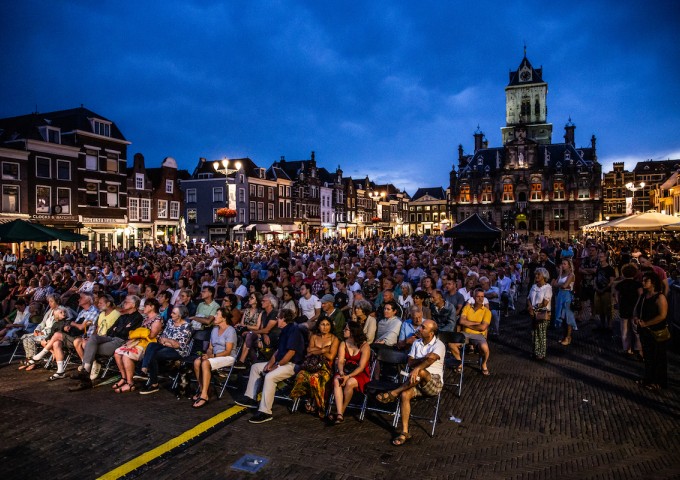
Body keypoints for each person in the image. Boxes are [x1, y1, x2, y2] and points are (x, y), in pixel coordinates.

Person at [375, 319, 445, 446]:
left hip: (434, 382)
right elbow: (410, 362)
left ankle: (393, 392)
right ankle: (404, 432)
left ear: (431, 333)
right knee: (405, 395)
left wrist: (418, 368)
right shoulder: (417, 343)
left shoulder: (439, 345)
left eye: (423, 328)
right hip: (415, 382)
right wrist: (423, 360)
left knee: (421, 372)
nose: (419, 329)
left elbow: (431, 360)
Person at [236, 309, 306, 424]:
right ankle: (251, 398)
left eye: (279, 317)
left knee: (270, 377)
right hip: (282, 362)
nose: (277, 319)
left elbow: (291, 353)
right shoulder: (283, 330)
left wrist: (276, 366)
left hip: (291, 365)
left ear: (284, 319)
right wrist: (270, 363)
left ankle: (265, 412)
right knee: (256, 367)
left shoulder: (294, 330)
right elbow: (278, 351)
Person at [290, 316, 340, 416]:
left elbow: (330, 356)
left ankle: (317, 403)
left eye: (327, 325)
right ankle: (309, 398)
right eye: (322, 324)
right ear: (319, 326)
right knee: (301, 375)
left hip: (325, 368)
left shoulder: (334, 339)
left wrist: (315, 350)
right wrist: (323, 350)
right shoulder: (314, 337)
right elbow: (308, 352)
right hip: (311, 365)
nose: (325, 327)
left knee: (315, 378)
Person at [139, 304, 193, 395]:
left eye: (174, 313)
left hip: (178, 351)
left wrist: (167, 341)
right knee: (151, 345)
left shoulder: (186, 327)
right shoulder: (170, 322)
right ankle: (144, 369)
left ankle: (154, 384)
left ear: (180, 315)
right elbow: (161, 338)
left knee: (154, 355)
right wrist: (168, 342)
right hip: (165, 346)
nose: (171, 314)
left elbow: (178, 345)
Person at [112, 296, 161, 393]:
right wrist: (135, 336)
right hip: (138, 342)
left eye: (146, 306)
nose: (143, 308)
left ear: (151, 307)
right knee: (117, 353)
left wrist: (139, 333)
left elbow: (151, 335)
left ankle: (130, 384)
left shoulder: (157, 319)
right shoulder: (145, 319)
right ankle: (124, 378)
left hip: (147, 345)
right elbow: (140, 333)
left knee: (126, 356)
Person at [191, 307, 238, 408]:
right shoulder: (215, 329)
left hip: (228, 357)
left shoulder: (230, 330)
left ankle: (204, 396)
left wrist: (211, 356)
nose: (215, 316)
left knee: (205, 363)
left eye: (217, 314)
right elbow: (210, 347)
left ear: (224, 318)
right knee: (197, 361)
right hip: (215, 356)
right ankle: (203, 389)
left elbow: (228, 351)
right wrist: (207, 355)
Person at [633, 271, 669, 393]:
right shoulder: (643, 296)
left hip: (656, 332)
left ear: (652, 283)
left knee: (658, 357)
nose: (643, 283)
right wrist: (636, 318)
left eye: (645, 281)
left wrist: (646, 323)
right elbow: (636, 309)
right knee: (648, 357)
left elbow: (662, 315)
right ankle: (648, 379)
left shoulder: (660, 297)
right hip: (645, 332)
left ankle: (659, 382)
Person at [329, 321, 371, 424]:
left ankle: (341, 412)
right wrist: (342, 372)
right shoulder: (343, 343)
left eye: (346, 329)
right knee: (337, 380)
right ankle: (339, 414)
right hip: (346, 369)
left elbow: (361, 367)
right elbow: (340, 360)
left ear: (353, 332)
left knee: (349, 382)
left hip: (359, 373)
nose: (344, 330)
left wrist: (348, 377)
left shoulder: (365, 346)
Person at [614, 264, 643, 357]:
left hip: (624, 308)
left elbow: (617, 296)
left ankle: (627, 348)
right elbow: (641, 296)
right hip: (635, 309)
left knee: (625, 330)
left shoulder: (620, 284)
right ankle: (638, 349)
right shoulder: (638, 284)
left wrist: (619, 305)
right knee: (636, 330)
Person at [527, 268, 552, 360]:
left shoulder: (548, 288)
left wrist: (534, 309)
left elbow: (545, 302)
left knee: (541, 333)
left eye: (539, 274)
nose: (536, 276)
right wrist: (530, 307)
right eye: (536, 274)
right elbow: (529, 298)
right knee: (533, 333)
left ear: (544, 277)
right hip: (532, 312)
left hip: (542, 313)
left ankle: (541, 353)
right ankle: (534, 351)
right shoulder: (533, 287)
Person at [553, 259, 577, 346]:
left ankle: (568, 337)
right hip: (560, 296)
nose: (562, 265)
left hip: (567, 296)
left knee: (568, 317)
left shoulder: (571, 275)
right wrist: (559, 274)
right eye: (562, 264)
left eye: (564, 264)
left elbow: (564, 286)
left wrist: (559, 285)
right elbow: (555, 283)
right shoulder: (562, 274)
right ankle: (564, 336)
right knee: (562, 318)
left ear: (569, 266)